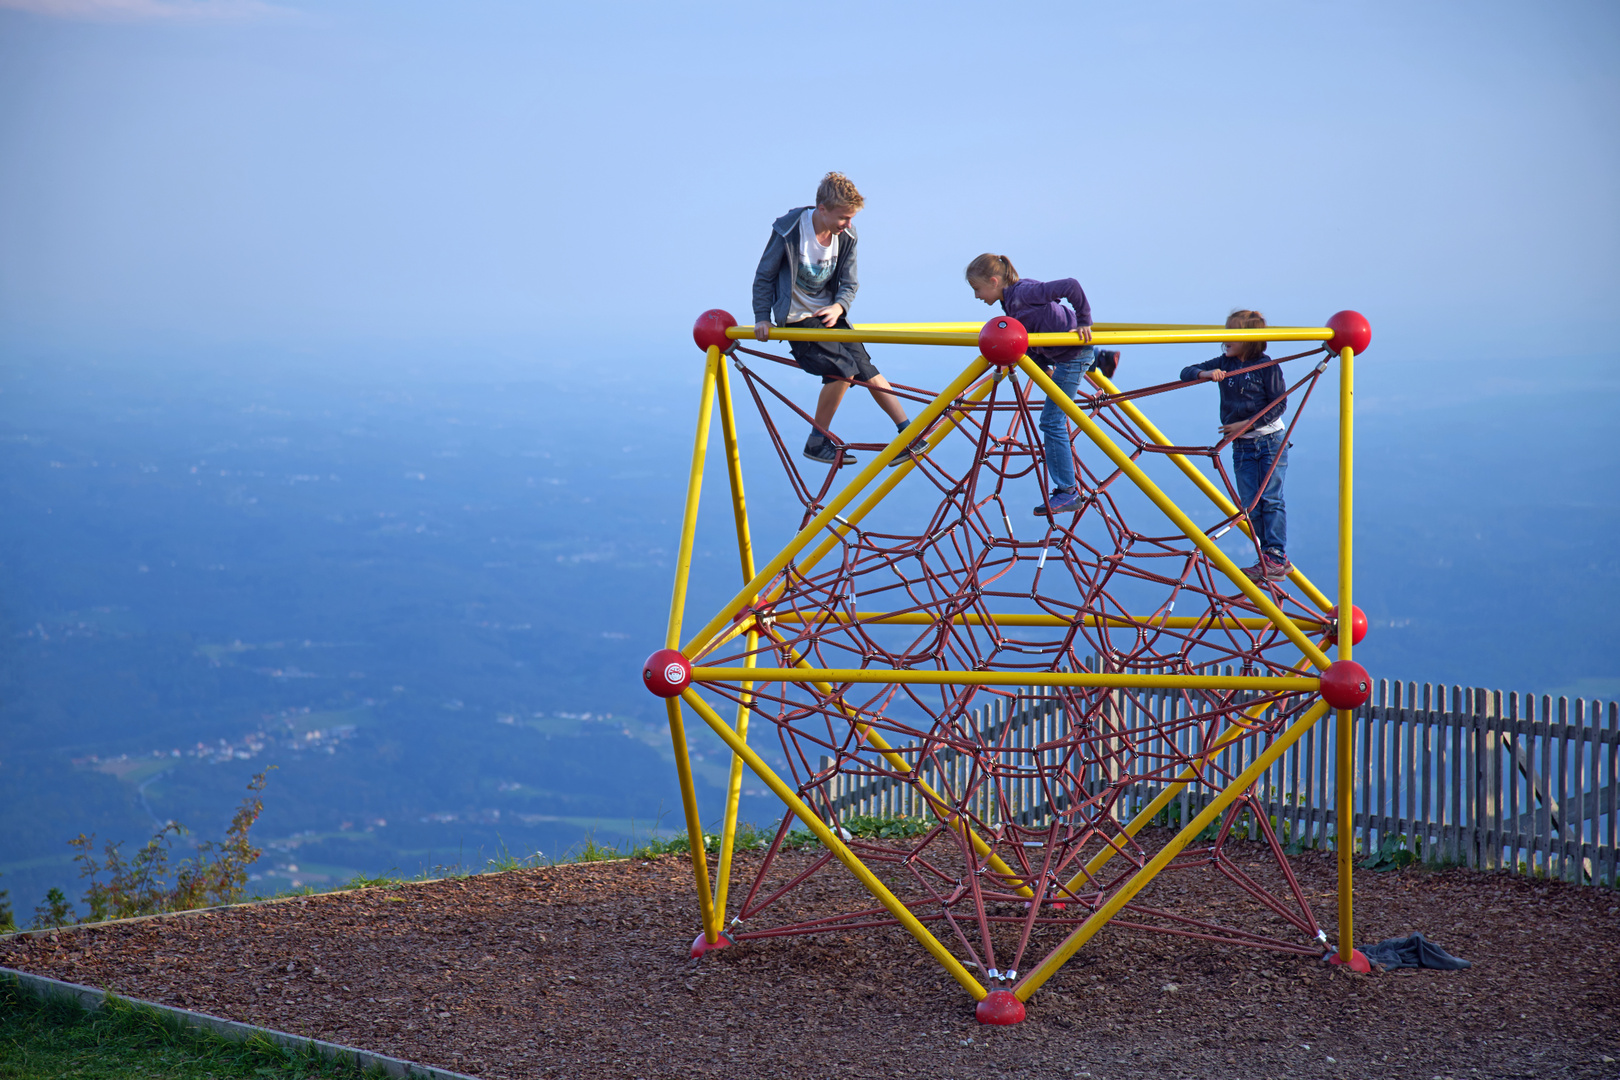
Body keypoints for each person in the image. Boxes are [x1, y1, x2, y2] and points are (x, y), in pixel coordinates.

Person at [752, 172, 919, 467]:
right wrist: (762, 318)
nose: (848, 225)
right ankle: (817, 440)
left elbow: (849, 284)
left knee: (865, 366)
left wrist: (840, 307)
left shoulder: (847, 238)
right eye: (843, 218)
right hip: (796, 318)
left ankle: (908, 433)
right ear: (822, 209)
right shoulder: (789, 230)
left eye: (852, 218)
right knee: (843, 369)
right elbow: (764, 276)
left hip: (829, 313)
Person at [964, 254, 1120, 515]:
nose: (977, 296)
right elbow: (1028, 338)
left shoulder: (1024, 293)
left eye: (977, 289)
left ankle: (1068, 491)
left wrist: (1084, 322)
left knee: (1052, 420)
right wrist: (1042, 367)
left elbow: (1070, 285)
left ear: (993, 281)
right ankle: (1099, 358)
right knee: (1056, 403)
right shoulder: (1010, 303)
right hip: (1059, 354)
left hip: (1072, 355)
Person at [1179, 310, 1292, 583]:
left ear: (1250, 339)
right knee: (1249, 506)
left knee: (1271, 498)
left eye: (1233, 333)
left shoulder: (1267, 366)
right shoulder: (1224, 363)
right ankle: (1267, 556)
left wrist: (1247, 424)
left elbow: (1279, 404)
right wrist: (1206, 373)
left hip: (1269, 441)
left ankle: (1276, 554)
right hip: (1242, 445)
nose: (1225, 338)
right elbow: (1185, 373)